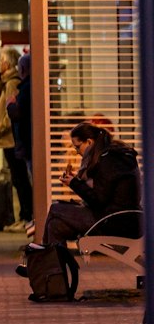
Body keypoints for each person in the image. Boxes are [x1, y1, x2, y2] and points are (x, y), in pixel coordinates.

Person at [36, 122, 139, 248]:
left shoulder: (108, 160)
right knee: (56, 226)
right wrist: (78, 182)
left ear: (89, 142)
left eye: (78, 147)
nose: (77, 152)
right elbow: (105, 192)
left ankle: (43, 260)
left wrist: (74, 183)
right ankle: (50, 266)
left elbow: (98, 200)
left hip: (114, 221)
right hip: (120, 218)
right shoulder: (113, 156)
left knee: (55, 209)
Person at [8, 53, 35, 230]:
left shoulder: (25, 88)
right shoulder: (30, 86)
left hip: (27, 141)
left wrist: (10, 104)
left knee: (30, 178)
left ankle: (33, 217)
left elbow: (18, 114)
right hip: (28, 141)